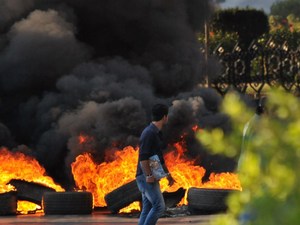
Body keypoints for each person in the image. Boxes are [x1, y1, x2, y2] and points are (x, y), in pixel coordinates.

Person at [135, 103, 175, 225]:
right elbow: (143, 158)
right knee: (159, 206)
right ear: (164, 117)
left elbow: (159, 158)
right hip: (145, 177)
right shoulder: (149, 133)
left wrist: (168, 175)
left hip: (150, 176)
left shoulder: (156, 133)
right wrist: (148, 175)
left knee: (146, 209)